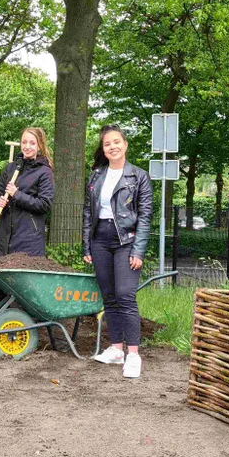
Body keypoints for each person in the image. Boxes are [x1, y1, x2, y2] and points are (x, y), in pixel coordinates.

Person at [83, 124, 152, 378]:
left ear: (125, 144)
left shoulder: (138, 176)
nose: (112, 147)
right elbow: (88, 212)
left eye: (116, 142)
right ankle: (116, 348)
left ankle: (133, 354)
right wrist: (87, 245)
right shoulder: (96, 176)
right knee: (109, 296)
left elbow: (145, 216)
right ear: (103, 149)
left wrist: (139, 250)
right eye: (107, 144)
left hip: (126, 241)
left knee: (125, 295)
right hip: (100, 240)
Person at [0, 127, 55, 303]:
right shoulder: (11, 169)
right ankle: (6, 319)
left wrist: (17, 194)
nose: (27, 146)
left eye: (32, 143)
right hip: (5, 237)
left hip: (28, 239)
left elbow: (44, 204)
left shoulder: (44, 172)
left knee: (23, 288)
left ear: (39, 145)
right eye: (24, 142)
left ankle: (23, 323)